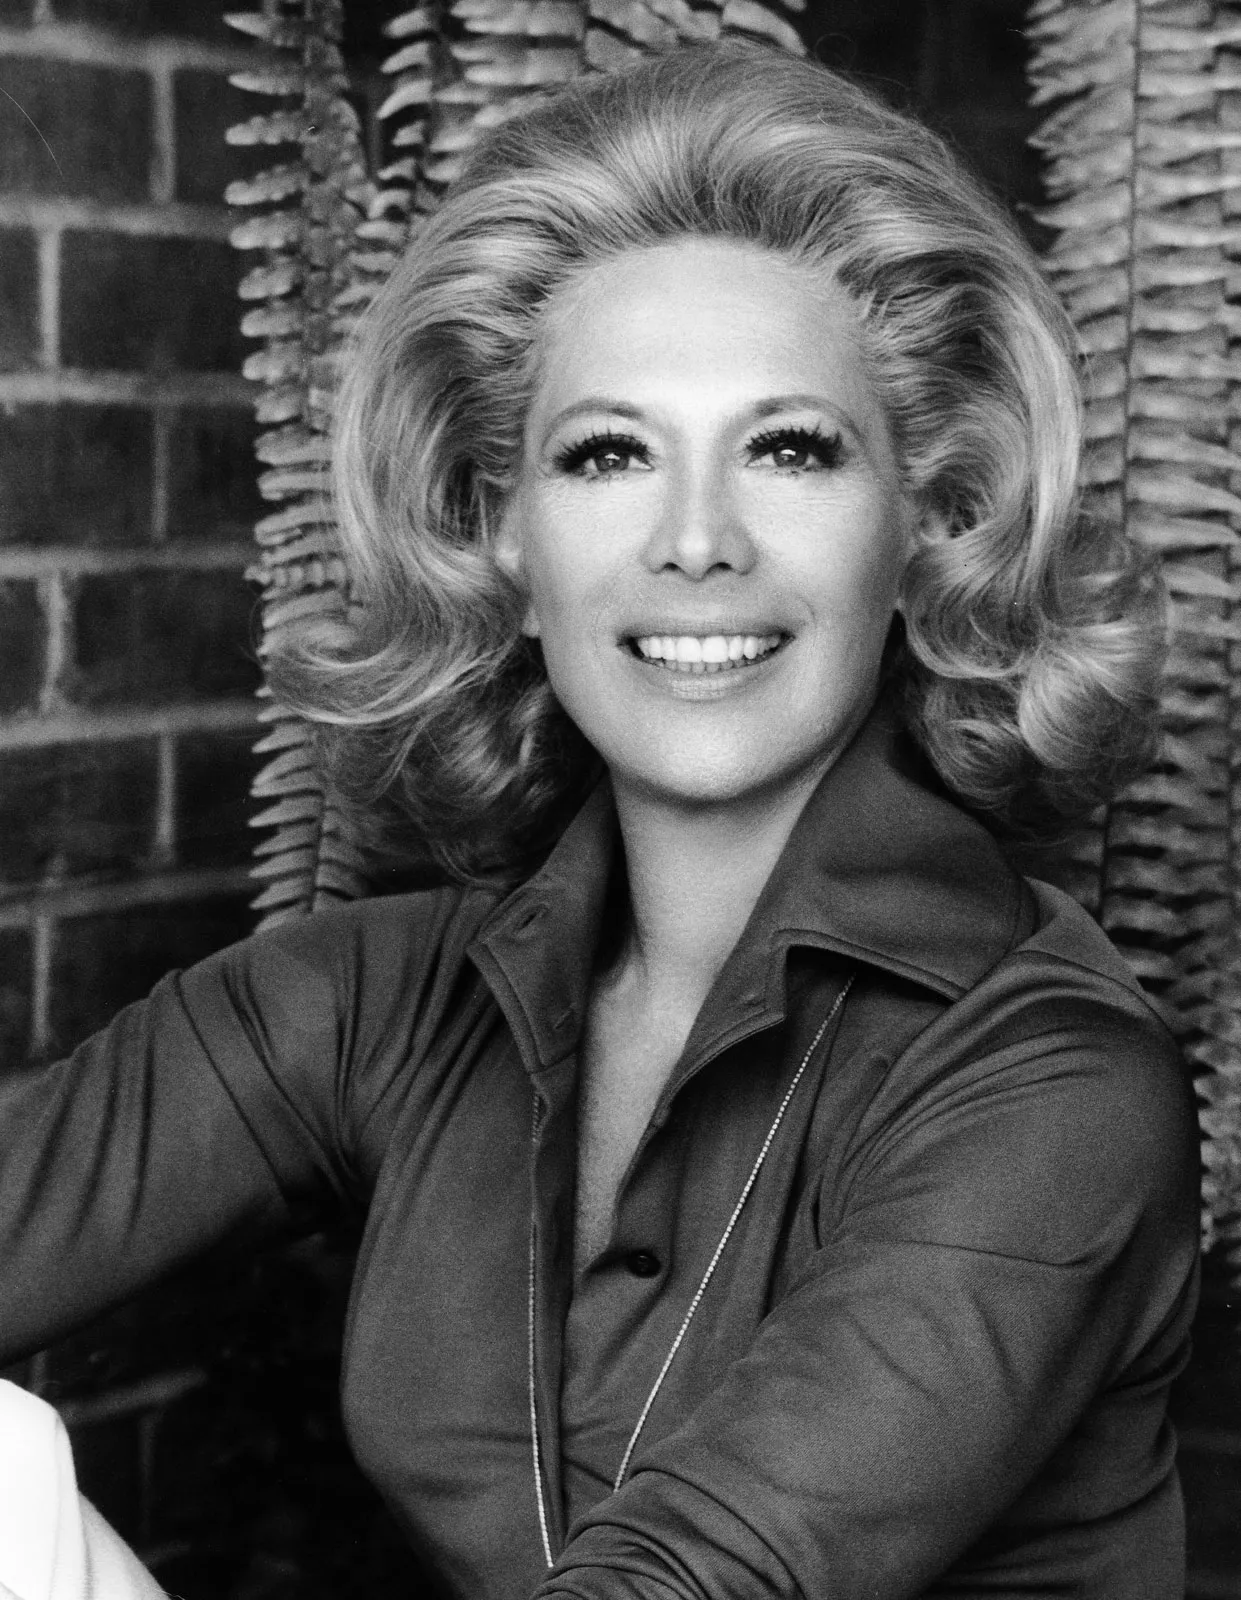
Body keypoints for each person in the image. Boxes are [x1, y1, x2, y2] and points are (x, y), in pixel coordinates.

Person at [0, 41, 1199, 1600]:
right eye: (609, 453)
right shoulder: (387, 1005)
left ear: (929, 527)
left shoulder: (1055, 1083)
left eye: (790, 449)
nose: (696, 541)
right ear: (501, 539)